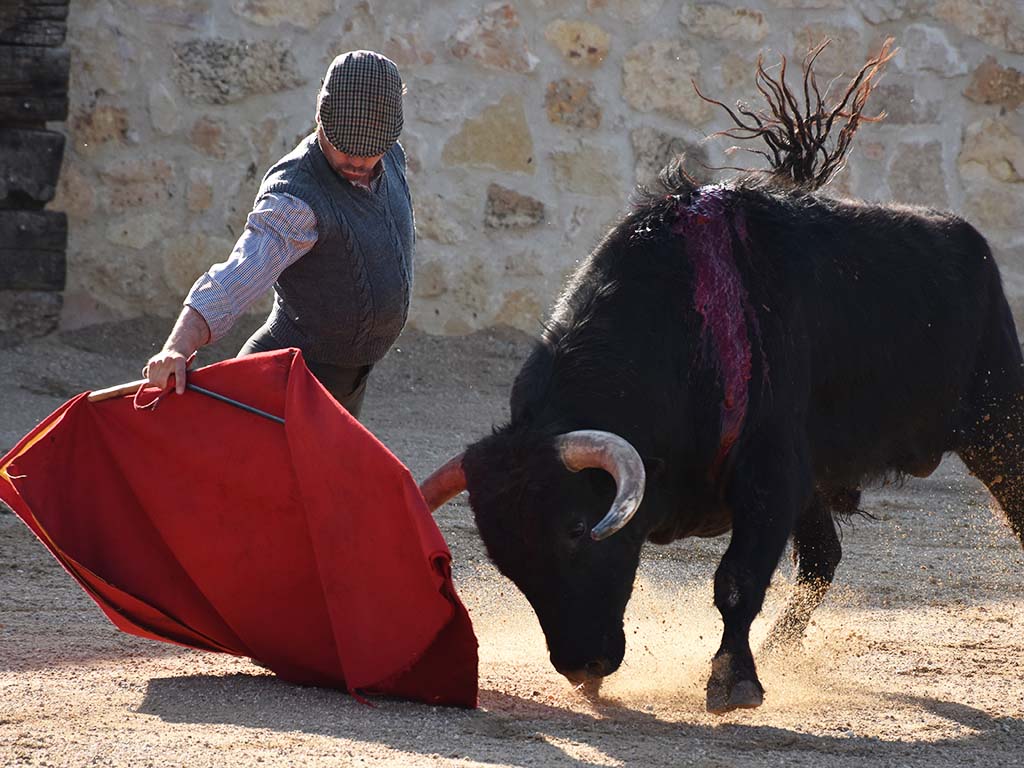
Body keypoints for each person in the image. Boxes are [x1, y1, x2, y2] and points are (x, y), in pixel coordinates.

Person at [144, 50, 414, 418]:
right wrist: (177, 346)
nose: (357, 161)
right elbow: (235, 278)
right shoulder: (296, 197)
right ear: (320, 117)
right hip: (286, 378)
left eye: (370, 151)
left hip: (349, 380)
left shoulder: (392, 157)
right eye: (344, 147)